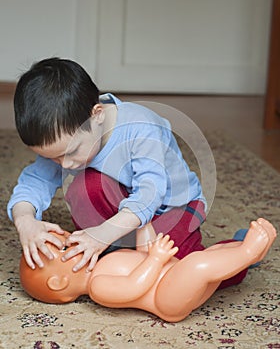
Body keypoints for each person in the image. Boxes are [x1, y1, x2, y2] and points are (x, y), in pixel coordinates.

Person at [7, 58, 246, 289]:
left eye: (72, 152)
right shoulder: (68, 140)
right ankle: (115, 248)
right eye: (54, 158)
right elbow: (33, 183)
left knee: (181, 274)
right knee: (85, 187)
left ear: (97, 115)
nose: (65, 164)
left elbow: (149, 194)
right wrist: (25, 221)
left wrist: (103, 234)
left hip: (171, 207)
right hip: (123, 210)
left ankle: (241, 250)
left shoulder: (141, 128)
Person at [19, 218, 277, 323]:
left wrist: (145, 234)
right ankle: (247, 252)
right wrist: (154, 259)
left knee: (206, 257)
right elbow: (135, 286)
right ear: (59, 282)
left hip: (172, 276)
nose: (73, 239)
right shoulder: (98, 287)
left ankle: (243, 253)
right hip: (167, 300)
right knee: (198, 265)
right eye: (66, 247)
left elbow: (138, 259)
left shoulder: (105, 261)